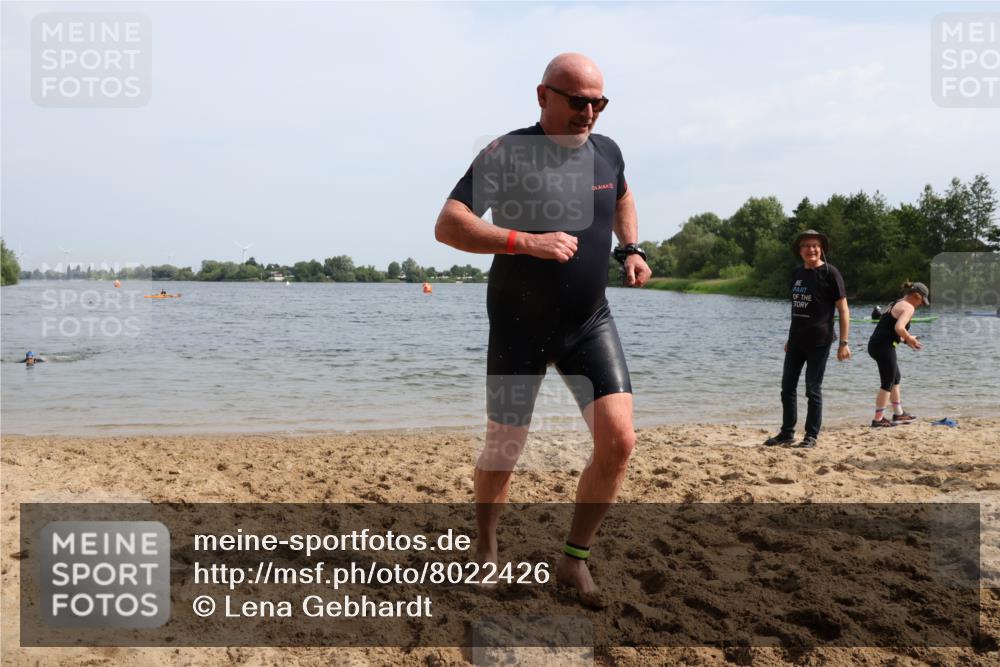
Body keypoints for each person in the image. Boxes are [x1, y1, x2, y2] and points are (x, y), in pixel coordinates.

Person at [435, 53, 651, 608]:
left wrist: (631, 248)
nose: (589, 112)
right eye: (577, 101)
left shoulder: (608, 151)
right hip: (518, 326)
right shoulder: (508, 152)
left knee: (620, 442)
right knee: (504, 448)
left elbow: (622, 194)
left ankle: (574, 559)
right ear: (542, 96)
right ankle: (486, 548)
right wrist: (526, 241)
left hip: (589, 322)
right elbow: (449, 224)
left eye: (599, 103)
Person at [764, 230, 851, 449]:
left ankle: (811, 436)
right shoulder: (797, 273)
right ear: (800, 250)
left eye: (815, 245)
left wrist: (844, 343)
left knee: (812, 389)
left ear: (821, 249)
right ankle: (787, 433)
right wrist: (789, 338)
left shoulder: (830, 273)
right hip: (796, 341)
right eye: (806, 246)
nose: (811, 249)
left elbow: (843, 310)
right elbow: (797, 309)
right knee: (787, 388)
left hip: (820, 341)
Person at [867, 282, 928, 427]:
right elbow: (899, 328)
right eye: (921, 301)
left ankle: (898, 414)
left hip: (877, 345)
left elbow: (889, 329)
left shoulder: (896, 302)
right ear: (916, 296)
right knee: (887, 382)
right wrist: (909, 337)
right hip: (884, 346)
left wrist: (907, 340)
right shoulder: (908, 307)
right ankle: (878, 419)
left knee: (895, 378)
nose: (921, 305)